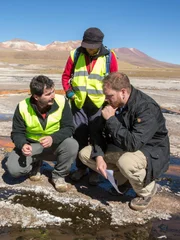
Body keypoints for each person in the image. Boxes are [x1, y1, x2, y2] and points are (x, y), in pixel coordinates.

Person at [78, 72, 170, 211]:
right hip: (124, 145)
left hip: (150, 150)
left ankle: (146, 190)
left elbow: (133, 144)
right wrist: (99, 156)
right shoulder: (113, 103)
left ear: (123, 92)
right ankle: (123, 181)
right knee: (85, 154)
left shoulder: (146, 108)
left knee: (126, 162)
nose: (106, 99)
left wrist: (111, 120)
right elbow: (97, 133)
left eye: (109, 96)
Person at [62, 27, 118, 185]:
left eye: (93, 46)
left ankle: (94, 170)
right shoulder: (75, 54)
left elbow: (114, 80)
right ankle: (81, 168)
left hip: (99, 104)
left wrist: (111, 104)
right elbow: (66, 76)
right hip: (78, 104)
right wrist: (69, 92)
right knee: (79, 136)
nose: (90, 49)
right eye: (87, 45)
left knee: (97, 137)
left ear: (100, 44)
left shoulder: (109, 57)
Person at [6, 75, 79, 192]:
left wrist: (52, 138)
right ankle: (36, 164)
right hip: (32, 147)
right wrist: (23, 145)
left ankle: (59, 175)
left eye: (53, 91)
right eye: (48, 94)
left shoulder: (61, 102)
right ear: (36, 96)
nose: (53, 96)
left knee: (72, 144)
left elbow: (69, 128)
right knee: (14, 170)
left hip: (54, 145)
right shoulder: (22, 107)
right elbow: (17, 133)